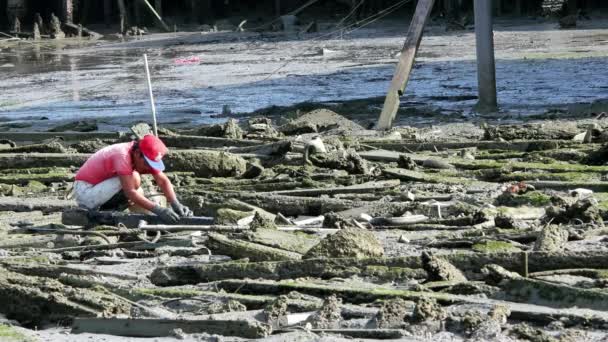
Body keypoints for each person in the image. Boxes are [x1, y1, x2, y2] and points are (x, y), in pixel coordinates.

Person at [73, 134, 192, 223]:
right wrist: (159, 210)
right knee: (133, 181)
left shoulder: (140, 154)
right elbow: (130, 192)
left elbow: (162, 180)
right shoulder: (122, 156)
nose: (148, 169)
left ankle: (149, 222)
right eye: (147, 164)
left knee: (138, 190)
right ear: (137, 153)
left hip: (103, 189)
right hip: (86, 192)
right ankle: (105, 212)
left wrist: (176, 204)